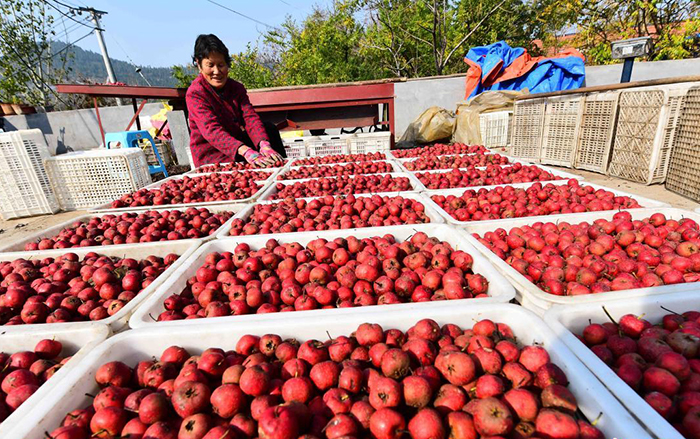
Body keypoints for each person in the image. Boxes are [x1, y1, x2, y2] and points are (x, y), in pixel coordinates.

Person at [186, 34, 285, 168]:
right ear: (199, 65)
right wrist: (246, 151)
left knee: (269, 129)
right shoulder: (196, 93)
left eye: (221, 65)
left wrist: (264, 144)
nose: (216, 71)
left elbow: (249, 117)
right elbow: (212, 131)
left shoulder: (236, 88)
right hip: (213, 155)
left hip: (238, 147)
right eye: (210, 65)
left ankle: (280, 167)